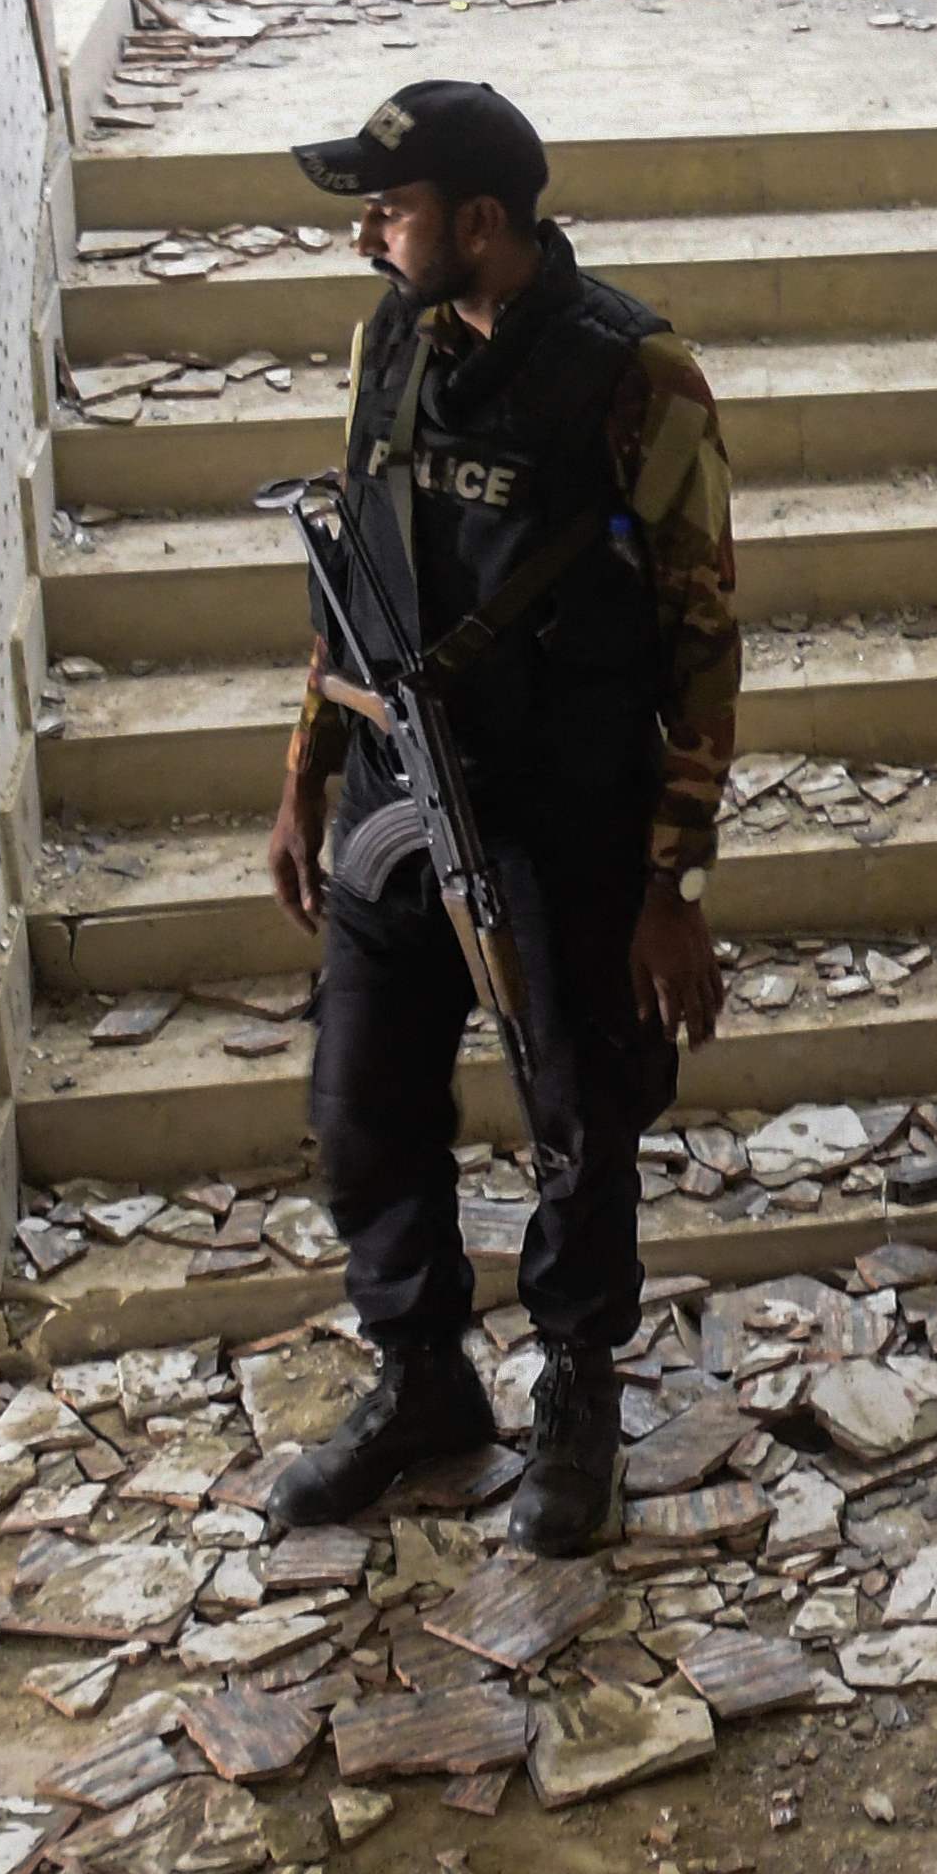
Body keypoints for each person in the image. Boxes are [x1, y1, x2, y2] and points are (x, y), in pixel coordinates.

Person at [256, 77, 737, 1555]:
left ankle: (576, 1391)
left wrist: (675, 884)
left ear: (481, 222)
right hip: (402, 794)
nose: (366, 243)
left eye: (387, 214)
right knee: (359, 1111)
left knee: (580, 1117)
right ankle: (424, 1382)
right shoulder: (390, 338)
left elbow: (705, 635)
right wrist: (304, 777)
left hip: (566, 810)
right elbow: (351, 570)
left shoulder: (636, 373)